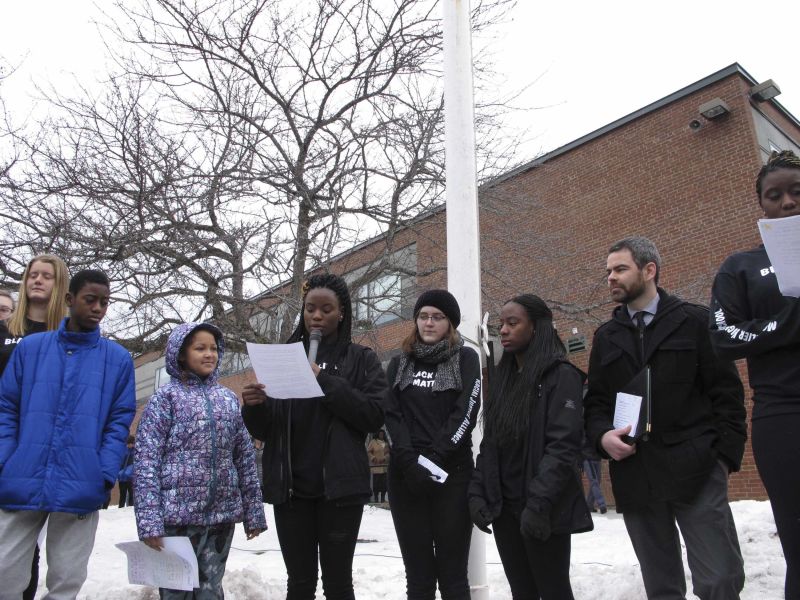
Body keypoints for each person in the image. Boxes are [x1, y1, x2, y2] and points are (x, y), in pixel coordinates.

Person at [584, 236, 747, 600]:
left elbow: (728, 396)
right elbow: (595, 404)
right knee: (662, 588)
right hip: (636, 474)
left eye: (620, 269)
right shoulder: (606, 337)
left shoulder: (694, 321)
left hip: (697, 470)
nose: (610, 277)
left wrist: (721, 460)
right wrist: (602, 438)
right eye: (608, 270)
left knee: (719, 579)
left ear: (649, 270)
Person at [241, 273, 386, 600]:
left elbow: (374, 414)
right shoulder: (285, 357)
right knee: (300, 583)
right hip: (292, 492)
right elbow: (266, 430)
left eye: (326, 309)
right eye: (310, 309)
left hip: (339, 491)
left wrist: (325, 380)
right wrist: (254, 408)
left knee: (338, 584)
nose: (317, 316)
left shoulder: (360, 359)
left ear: (341, 312)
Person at [0, 268, 136, 599]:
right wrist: (6, 460)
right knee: (4, 574)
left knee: (66, 581)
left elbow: (119, 422)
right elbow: (6, 408)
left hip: (82, 483)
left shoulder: (117, 359)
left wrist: (103, 473)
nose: (98, 308)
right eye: (91, 299)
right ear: (69, 299)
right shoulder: (31, 348)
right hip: (22, 477)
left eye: (105, 302)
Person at [708, 149, 800, 599]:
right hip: (784, 415)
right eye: (775, 194)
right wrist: (787, 323)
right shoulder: (741, 266)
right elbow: (723, 337)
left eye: (797, 192)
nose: (787, 202)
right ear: (761, 204)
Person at [469, 294, 591, 600]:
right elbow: (490, 446)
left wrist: (538, 505)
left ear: (536, 327)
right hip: (506, 511)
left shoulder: (561, 376)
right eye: (501, 325)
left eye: (513, 323)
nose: (504, 330)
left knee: (553, 591)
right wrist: (477, 493)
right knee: (522, 592)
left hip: (542, 509)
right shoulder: (504, 380)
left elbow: (563, 448)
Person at [134, 322, 266, 599]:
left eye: (214, 349)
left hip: (220, 518)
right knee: (176, 591)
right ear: (181, 354)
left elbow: (244, 457)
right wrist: (149, 522)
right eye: (200, 348)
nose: (210, 354)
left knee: (210, 591)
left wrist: (253, 511)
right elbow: (146, 462)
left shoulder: (228, 400)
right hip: (175, 521)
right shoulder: (165, 399)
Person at [383, 289, 481, 600]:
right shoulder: (398, 362)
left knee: (454, 579)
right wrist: (410, 462)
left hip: (452, 475)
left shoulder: (466, 358)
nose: (429, 322)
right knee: (419, 579)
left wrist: (437, 456)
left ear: (450, 323)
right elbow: (390, 414)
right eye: (423, 316)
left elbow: (467, 409)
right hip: (406, 477)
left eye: (437, 317)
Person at [0, 254, 70, 600]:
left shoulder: (68, 337)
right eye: (32, 275)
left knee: (28, 545)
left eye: (47, 276)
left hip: (45, 452)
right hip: (6, 445)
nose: (37, 280)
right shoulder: (5, 333)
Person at [582, 443, 607, 515]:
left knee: (597, 481)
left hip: (597, 458)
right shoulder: (583, 433)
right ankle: (602, 504)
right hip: (588, 458)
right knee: (594, 481)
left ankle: (589, 505)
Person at [367, 430, 389, 504]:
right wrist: (373, 458)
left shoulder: (386, 443)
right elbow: (369, 451)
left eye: (383, 434)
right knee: (376, 483)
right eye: (380, 434)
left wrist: (385, 458)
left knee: (384, 484)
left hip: (384, 466)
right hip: (376, 466)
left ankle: (382, 499)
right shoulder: (373, 442)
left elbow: (389, 453)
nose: (381, 435)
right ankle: (376, 499)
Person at [117, 435, 136, 508]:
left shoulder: (135, 451)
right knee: (122, 494)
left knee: (131, 493)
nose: (130, 445)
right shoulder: (123, 450)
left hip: (131, 476)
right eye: (128, 443)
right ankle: (121, 508)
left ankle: (130, 508)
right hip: (122, 476)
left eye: (131, 443)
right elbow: (120, 462)